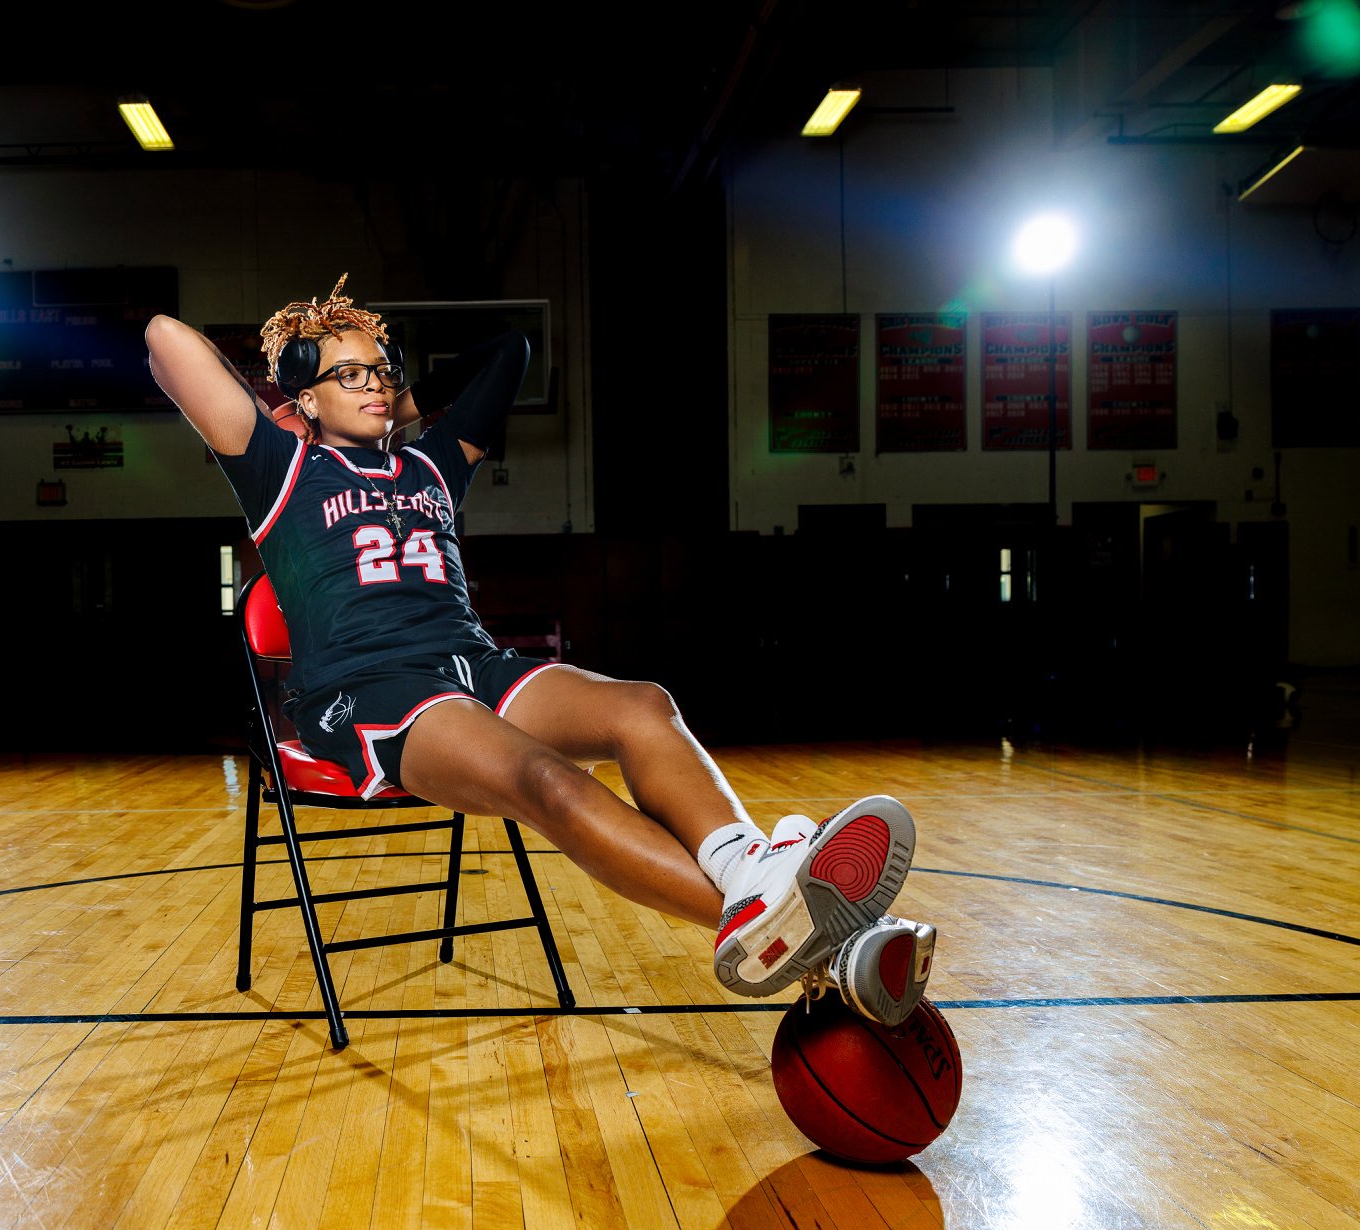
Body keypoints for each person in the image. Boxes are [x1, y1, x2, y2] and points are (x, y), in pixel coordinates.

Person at [145, 276, 935, 1024]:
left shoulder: (430, 462)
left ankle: (753, 874)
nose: (376, 385)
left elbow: (509, 352)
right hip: (369, 690)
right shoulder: (280, 465)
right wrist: (280, 409)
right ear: (305, 395)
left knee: (642, 705)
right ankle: (803, 938)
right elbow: (164, 338)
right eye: (350, 376)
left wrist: (401, 403)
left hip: (473, 666)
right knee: (542, 779)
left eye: (384, 370)